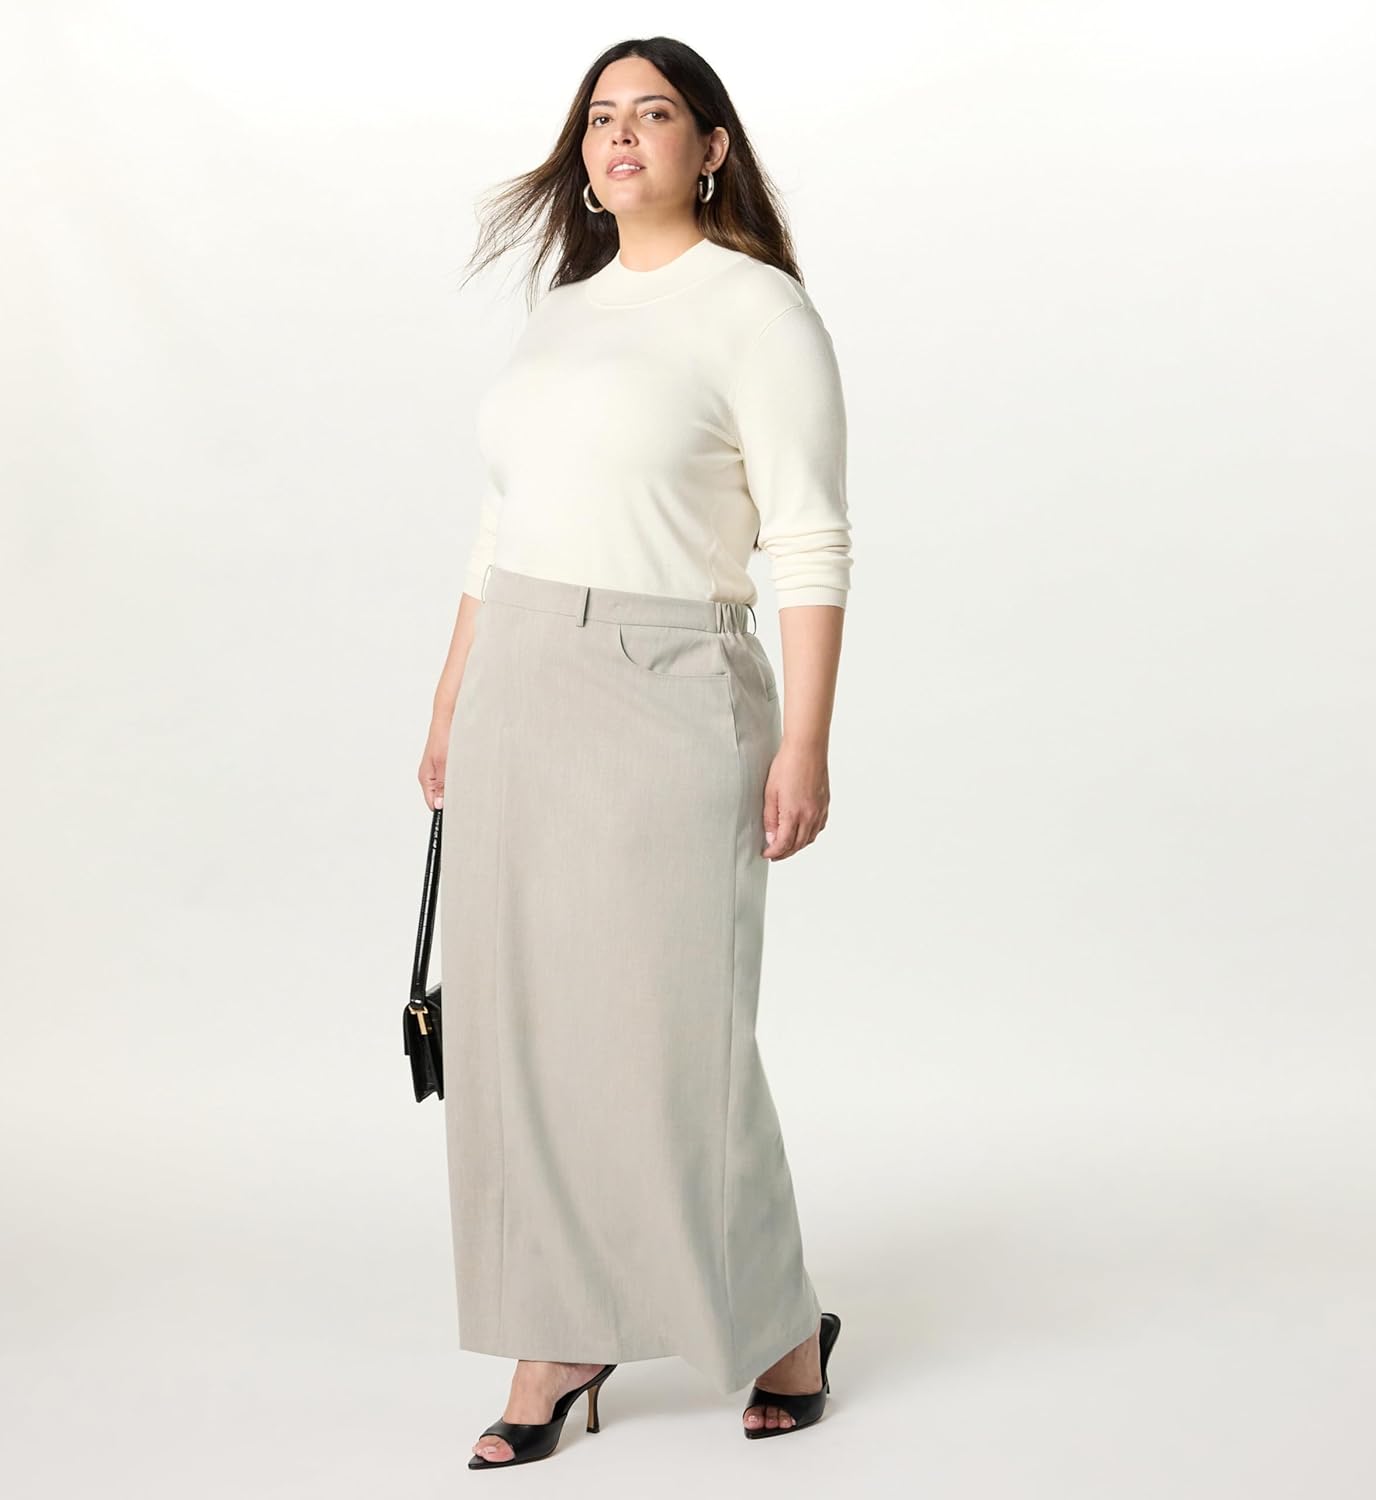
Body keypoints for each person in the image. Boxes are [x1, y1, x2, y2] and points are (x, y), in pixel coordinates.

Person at [417, 36, 849, 1467]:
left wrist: (805, 742)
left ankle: (779, 1322)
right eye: (601, 116)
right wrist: (451, 699)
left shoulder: (756, 310)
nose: (620, 136)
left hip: (670, 681)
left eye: (653, 113)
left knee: (676, 1037)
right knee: (520, 1031)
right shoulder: (564, 312)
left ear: (709, 148)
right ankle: (560, 1331)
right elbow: (503, 523)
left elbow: (810, 538)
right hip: (521, 675)